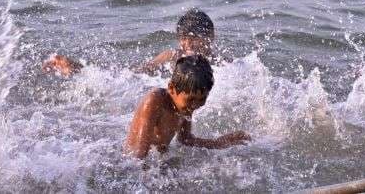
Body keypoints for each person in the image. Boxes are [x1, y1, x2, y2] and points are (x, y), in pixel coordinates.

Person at [123, 55, 250, 158]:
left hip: (157, 159)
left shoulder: (185, 107)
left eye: (202, 99)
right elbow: (138, 156)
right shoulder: (154, 101)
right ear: (171, 88)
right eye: (191, 99)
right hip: (133, 160)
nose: (195, 105)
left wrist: (218, 143)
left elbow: (185, 139)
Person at [44, 8, 216, 77]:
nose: (188, 44)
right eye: (183, 38)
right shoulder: (172, 56)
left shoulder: (222, 64)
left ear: (210, 37)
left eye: (194, 38)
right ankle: (74, 68)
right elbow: (139, 72)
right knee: (117, 75)